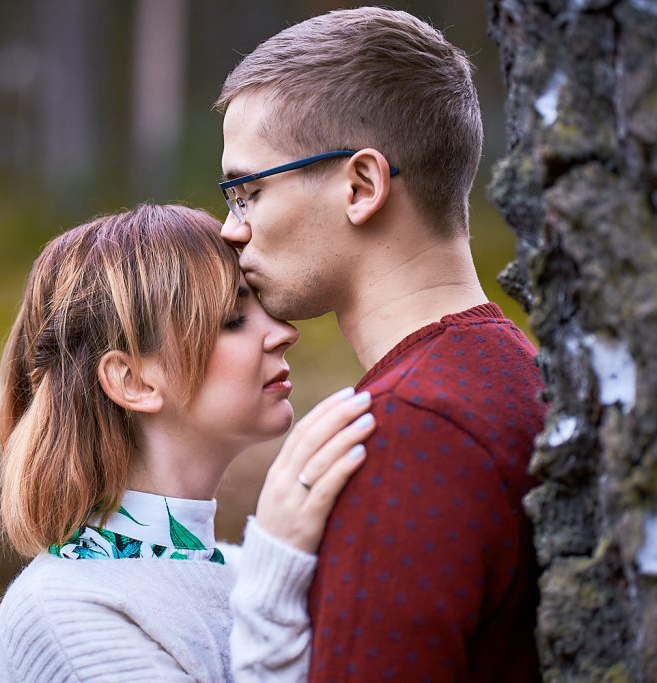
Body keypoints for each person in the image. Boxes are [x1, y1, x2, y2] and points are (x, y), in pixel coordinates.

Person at [215, 7, 546, 681]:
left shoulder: (410, 435)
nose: (231, 229)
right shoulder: (523, 370)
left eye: (248, 191)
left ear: (361, 186)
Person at [0, 203, 377, 682]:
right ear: (133, 380)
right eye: (233, 319)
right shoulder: (62, 611)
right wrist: (276, 574)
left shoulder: (240, 570)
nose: (285, 333)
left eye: (266, 307)